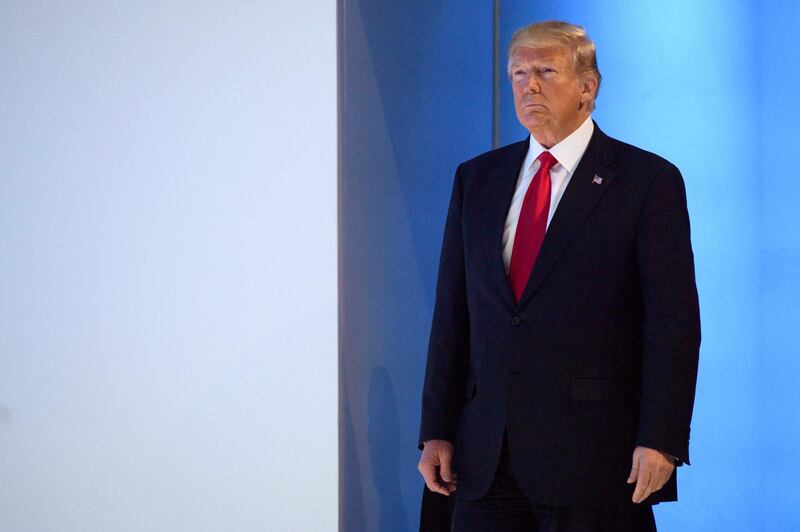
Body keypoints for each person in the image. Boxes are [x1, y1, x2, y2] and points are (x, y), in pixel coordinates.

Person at [417, 21, 700, 531]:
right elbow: (452, 314)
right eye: (519, 73)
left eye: (546, 71)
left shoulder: (647, 181)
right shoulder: (476, 179)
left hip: (594, 461)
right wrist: (436, 430)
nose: (529, 85)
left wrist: (661, 437)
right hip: (485, 459)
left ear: (588, 87)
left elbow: (672, 323)